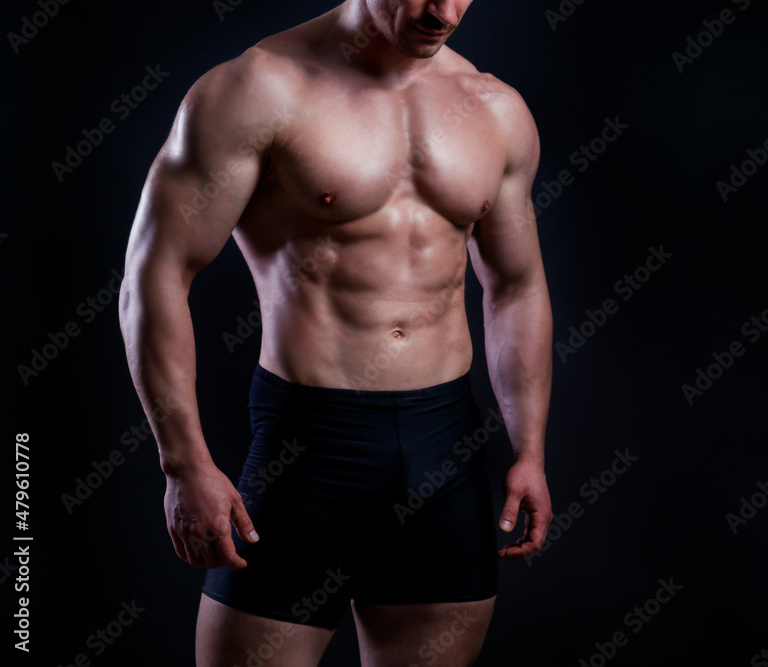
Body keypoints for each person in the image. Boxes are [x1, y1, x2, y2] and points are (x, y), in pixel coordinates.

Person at [117, 1, 553, 665]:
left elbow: (516, 287)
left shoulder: (494, 108)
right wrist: (182, 461)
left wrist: (530, 449)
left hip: (444, 451)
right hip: (310, 449)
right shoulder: (257, 90)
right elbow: (154, 276)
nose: (442, 11)